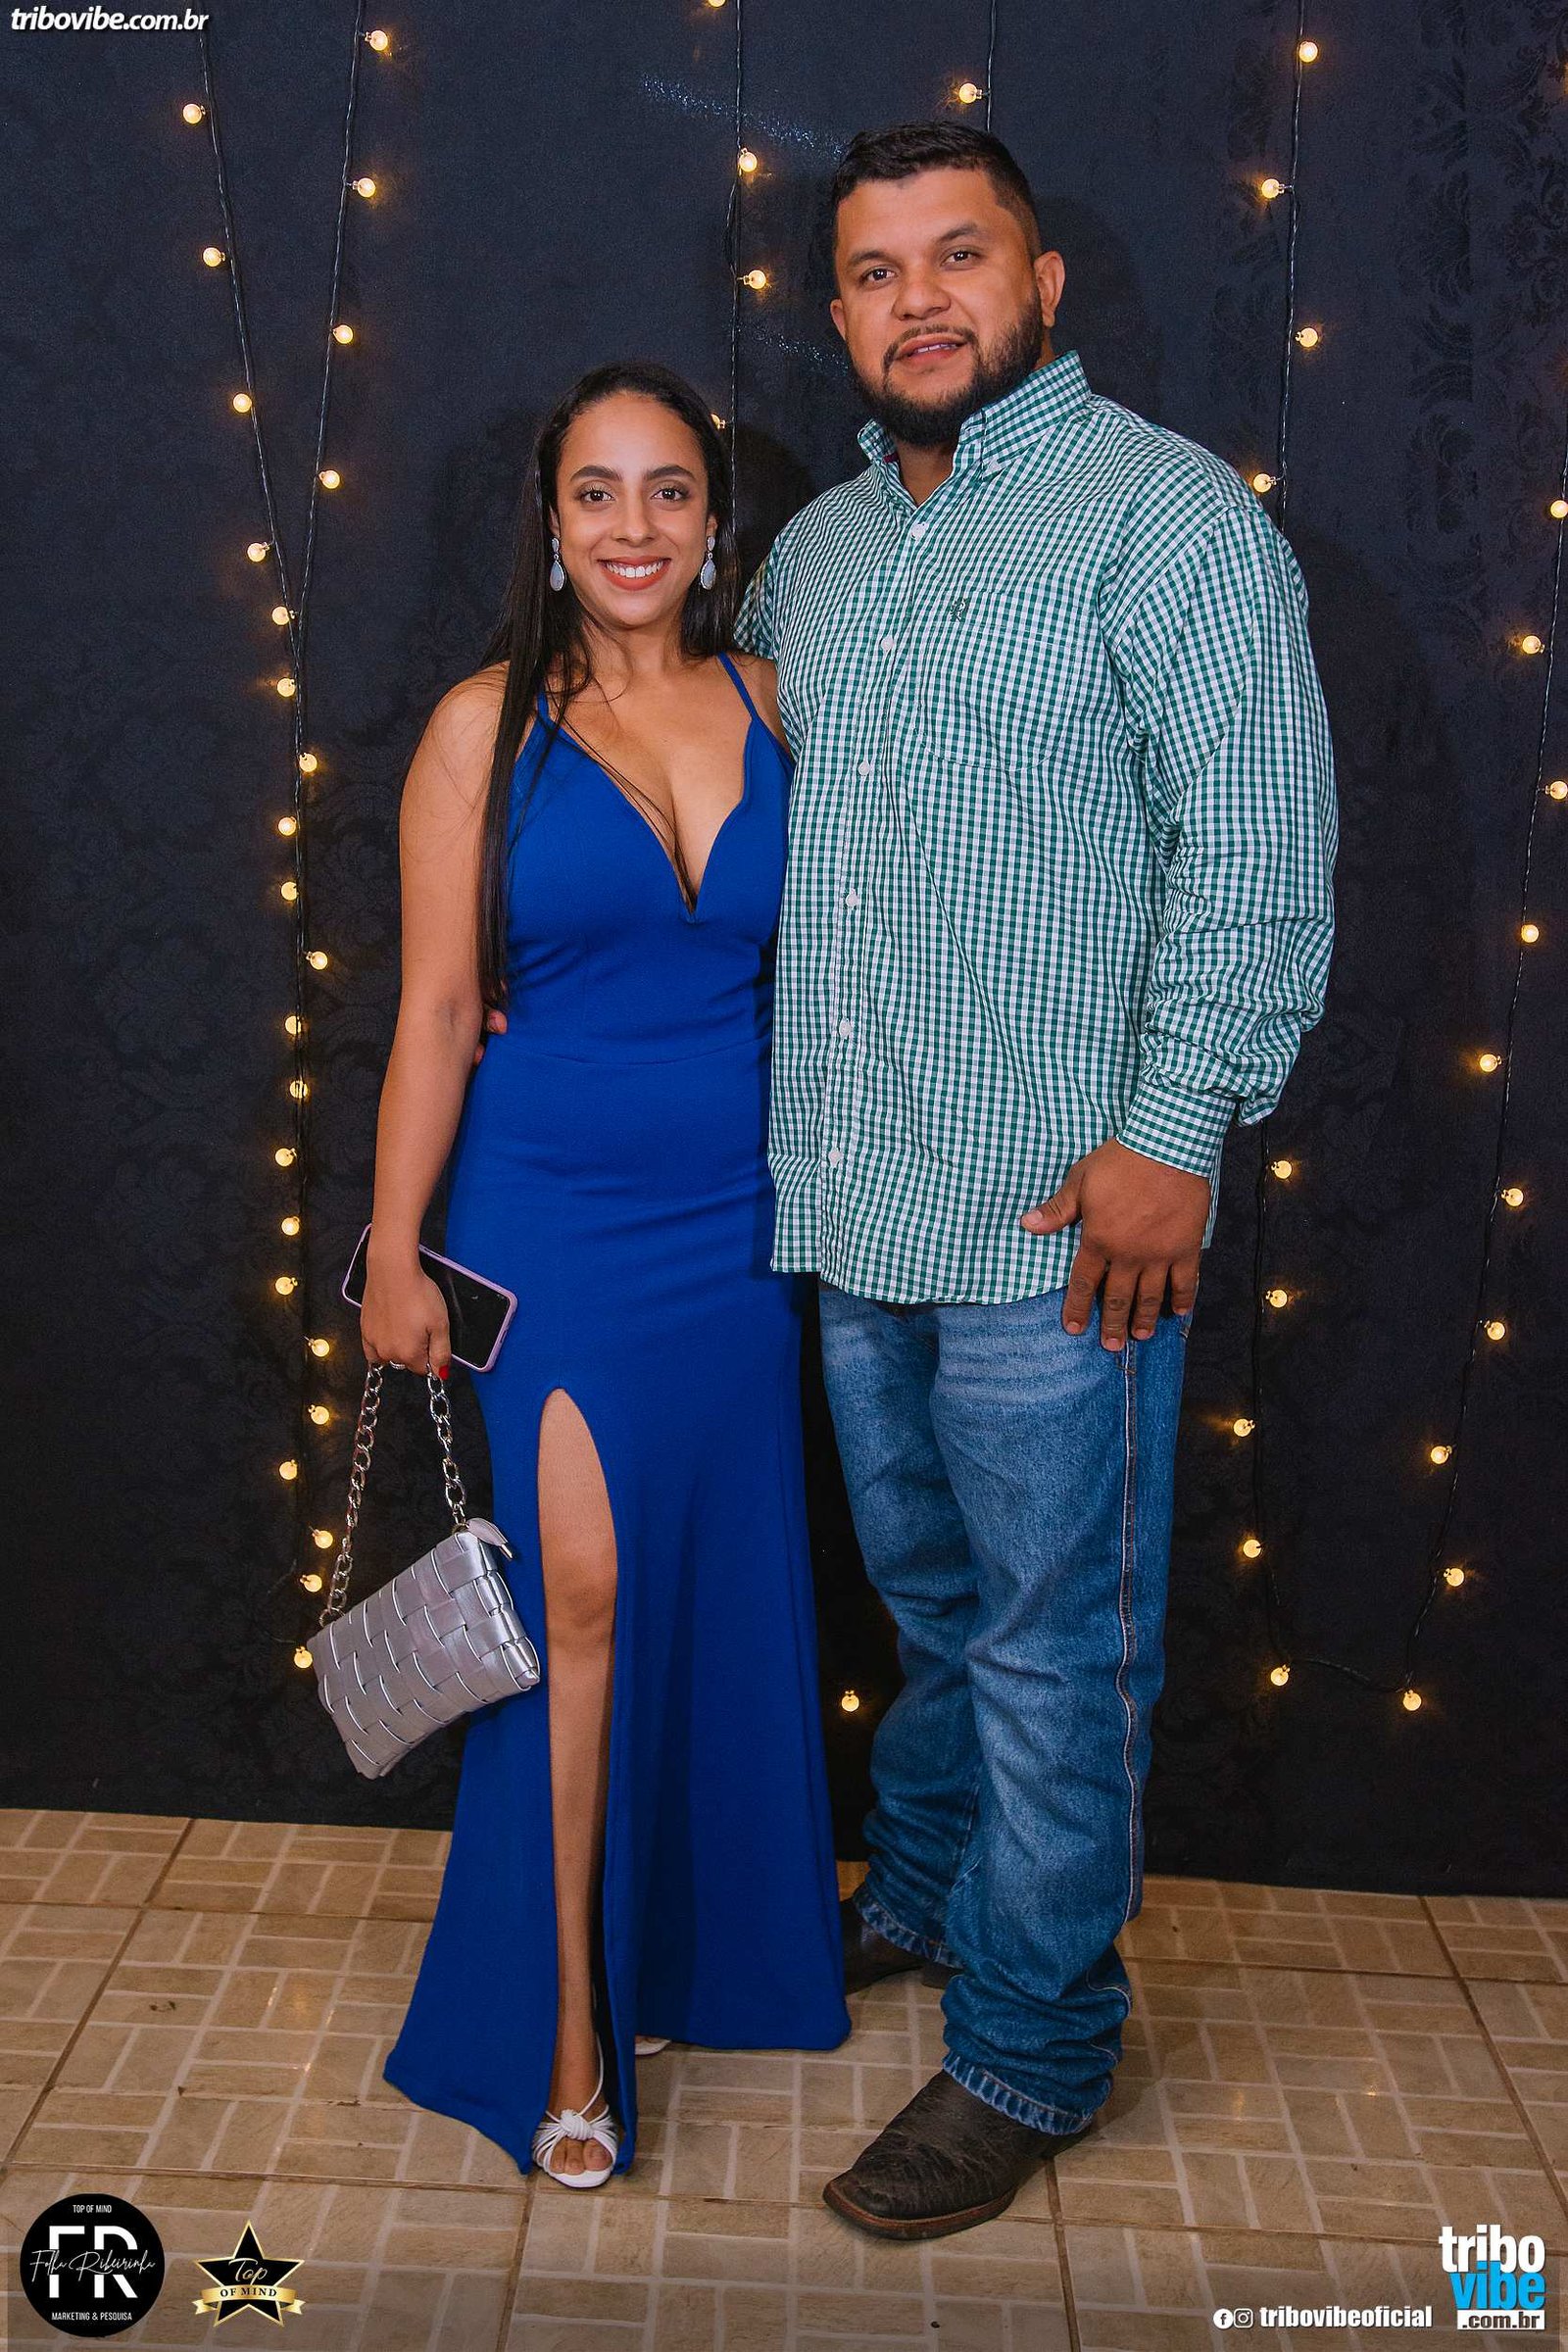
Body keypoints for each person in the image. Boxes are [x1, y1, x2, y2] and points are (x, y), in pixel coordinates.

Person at [731, 122, 1339, 2239]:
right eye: (874, 270)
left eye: (957, 255)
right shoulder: (810, 557)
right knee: (926, 1607)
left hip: (1056, 1228)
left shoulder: (1164, 517)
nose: (918, 300)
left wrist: (1177, 1134)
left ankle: (1030, 2047)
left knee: (1053, 1650)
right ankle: (920, 1893)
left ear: (1041, 281)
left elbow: (1254, 844)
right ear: (835, 311)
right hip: (849, 1206)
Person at [362, 361, 850, 2191]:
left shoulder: (783, 701)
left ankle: (681, 1954)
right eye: (595, 492)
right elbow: (434, 1011)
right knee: (580, 1592)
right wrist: (395, 1246)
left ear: (715, 524)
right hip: (548, 1214)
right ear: (551, 525)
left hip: (742, 1224)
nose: (632, 527)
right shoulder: (478, 728)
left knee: (710, 1582)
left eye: (667, 491)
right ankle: (562, 2023)